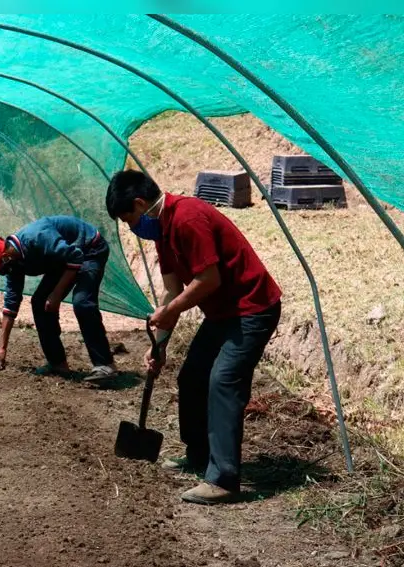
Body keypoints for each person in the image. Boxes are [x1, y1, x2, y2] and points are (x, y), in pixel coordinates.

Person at [105, 169, 282, 505]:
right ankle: (199, 455)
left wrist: (171, 311)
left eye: (129, 220)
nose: (131, 228)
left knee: (223, 382)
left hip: (252, 308)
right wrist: (159, 345)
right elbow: (171, 291)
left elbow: (209, 280)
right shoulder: (162, 230)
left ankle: (224, 480)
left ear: (140, 204)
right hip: (222, 313)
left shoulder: (188, 218)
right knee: (192, 377)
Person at [0, 215, 119, 386]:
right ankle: (58, 364)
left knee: (82, 302)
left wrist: (57, 294)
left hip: (89, 249)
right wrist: (2, 348)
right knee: (40, 303)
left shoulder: (37, 237)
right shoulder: (14, 263)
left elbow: (75, 257)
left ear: (5, 257)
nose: (2, 272)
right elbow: (11, 304)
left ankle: (105, 365)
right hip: (63, 259)